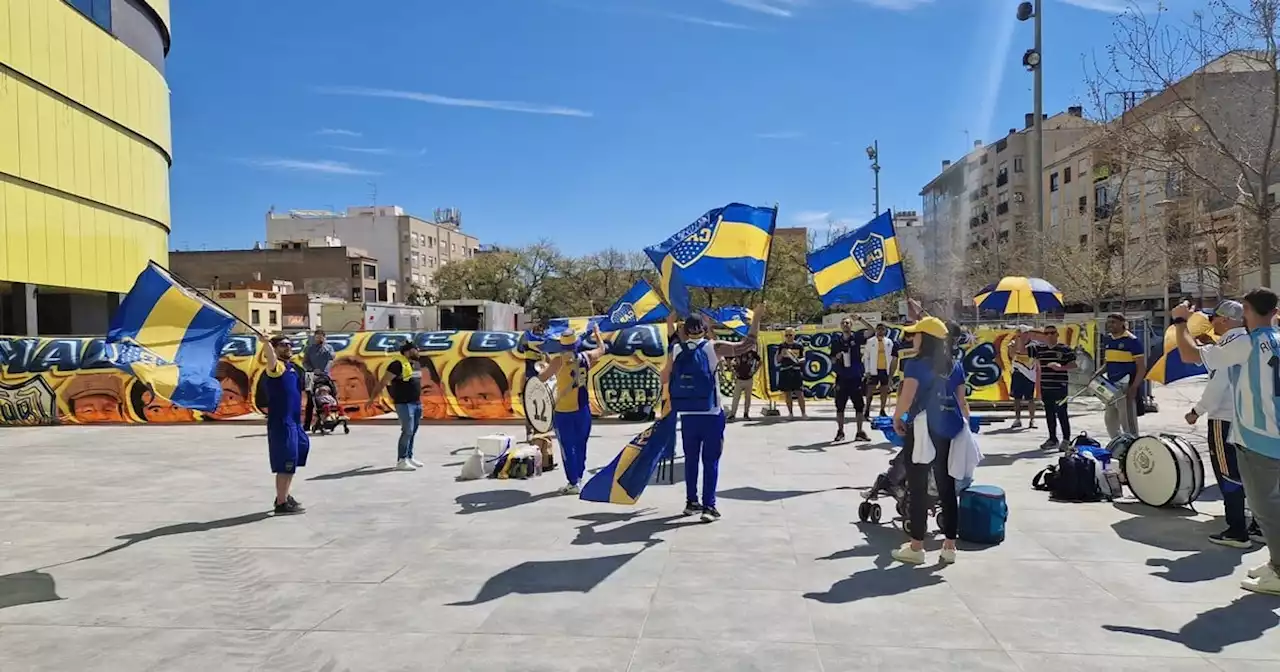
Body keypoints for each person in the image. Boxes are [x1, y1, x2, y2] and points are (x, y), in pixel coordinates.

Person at [1172, 289, 1280, 595]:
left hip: (1259, 437)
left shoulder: (1245, 343)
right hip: (1273, 432)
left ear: (1246, 310)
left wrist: (1181, 322)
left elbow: (1189, 355)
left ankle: (1279, 571)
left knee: (1266, 509)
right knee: (1270, 505)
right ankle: (1275, 562)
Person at [664, 309, 763, 521]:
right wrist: (756, 319)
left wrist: (669, 323)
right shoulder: (713, 348)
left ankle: (691, 502)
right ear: (705, 329)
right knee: (711, 460)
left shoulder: (676, 350)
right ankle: (709, 506)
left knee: (691, 459)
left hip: (688, 413)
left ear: (685, 330)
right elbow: (747, 345)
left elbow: (666, 374)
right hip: (711, 412)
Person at [891, 316, 969, 566]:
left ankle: (917, 547)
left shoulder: (914, 364)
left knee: (918, 486)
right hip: (948, 429)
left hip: (922, 429)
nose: (912, 338)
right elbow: (962, 402)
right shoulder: (955, 365)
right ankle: (949, 547)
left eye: (916, 334)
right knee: (947, 486)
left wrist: (896, 417)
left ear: (925, 338)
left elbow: (907, 395)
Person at [1183, 301, 1258, 548]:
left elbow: (1217, 385)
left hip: (1224, 419)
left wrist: (1196, 410)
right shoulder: (1252, 340)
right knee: (1252, 474)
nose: (1212, 323)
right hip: (1250, 419)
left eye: (1214, 318)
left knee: (1228, 473)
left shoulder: (1229, 346)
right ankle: (1258, 524)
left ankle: (1237, 529)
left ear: (1225, 319)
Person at [539, 325, 612, 495]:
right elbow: (602, 349)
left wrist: (544, 367)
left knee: (567, 447)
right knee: (581, 446)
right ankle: (579, 477)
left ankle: (573, 482)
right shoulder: (586, 357)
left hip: (564, 411)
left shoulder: (558, 361)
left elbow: (542, 378)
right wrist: (597, 334)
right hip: (583, 409)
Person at [261, 334, 309, 515]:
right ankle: (281, 503)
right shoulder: (276, 368)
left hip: (294, 422)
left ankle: (284, 495)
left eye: (290, 344)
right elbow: (271, 359)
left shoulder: (292, 368)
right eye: (283, 345)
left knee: (295, 459)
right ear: (274, 348)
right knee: (286, 463)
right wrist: (266, 344)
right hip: (282, 423)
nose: (288, 347)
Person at [1014, 327, 1076, 450]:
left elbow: (1074, 365)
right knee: (1049, 413)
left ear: (1057, 334)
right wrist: (1020, 336)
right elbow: (1021, 350)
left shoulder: (1064, 349)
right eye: (1046, 333)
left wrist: (1060, 367)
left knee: (1062, 412)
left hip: (1060, 386)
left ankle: (1066, 439)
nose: (1049, 335)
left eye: (1052, 333)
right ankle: (1052, 438)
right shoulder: (1039, 349)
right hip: (1046, 386)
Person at [370, 341, 425, 471]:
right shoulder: (396, 365)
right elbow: (383, 381)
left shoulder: (415, 364)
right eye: (415, 349)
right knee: (407, 431)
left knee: (413, 431)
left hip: (416, 402)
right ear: (407, 351)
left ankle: (409, 457)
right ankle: (401, 460)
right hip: (403, 403)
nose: (418, 352)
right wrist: (372, 398)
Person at [1101, 313, 1146, 438]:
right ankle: (1117, 445)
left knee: (1127, 423)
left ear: (1122, 323)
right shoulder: (1108, 340)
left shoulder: (1132, 341)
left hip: (1125, 386)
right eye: (1108, 322)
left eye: (1113, 322)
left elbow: (1141, 368)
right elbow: (1108, 362)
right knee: (1110, 420)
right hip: (1111, 386)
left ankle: (1132, 446)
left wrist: (1134, 387)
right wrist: (1097, 374)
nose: (1110, 325)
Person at [830, 316, 874, 442]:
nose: (846, 325)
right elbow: (831, 359)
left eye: (848, 323)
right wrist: (837, 357)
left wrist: (860, 319)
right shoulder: (836, 341)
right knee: (840, 407)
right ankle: (840, 431)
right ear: (840, 325)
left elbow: (872, 331)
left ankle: (860, 432)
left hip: (855, 377)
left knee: (859, 407)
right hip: (842, 378)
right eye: (843, 323)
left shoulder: (857, 337)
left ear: (852, 325)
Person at [448, 357, 513, 419]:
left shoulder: (520, 427)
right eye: (466, 400)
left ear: (507, 399)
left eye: (484, 397)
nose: (474, 406)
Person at [302, 329, 336, 432]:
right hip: (310, 375)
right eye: (317, 337)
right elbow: (304, 362)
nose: (319, 339)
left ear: (325, 338)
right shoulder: (309, 349)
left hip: (325, 375)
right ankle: (307, 424)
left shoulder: (328, 348)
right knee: (310, 400)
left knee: (327, 396)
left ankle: (329, 418)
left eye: (321, 337)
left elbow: (332, 359)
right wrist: (312, 370)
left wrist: (324, 371)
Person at [1006, 327, 1039, 430]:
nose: (1021, 335)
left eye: (1023, 333)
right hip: (1017, 373)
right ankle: (1017, 419)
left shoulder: (1034, 345)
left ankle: (1032, 419)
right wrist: (1017, 340)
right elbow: (1012, 354)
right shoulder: (1012, 343)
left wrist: (1020, 345)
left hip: (1029, 374)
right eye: (1019, 333)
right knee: (1017, 398)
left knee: (1030, 399)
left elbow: (1024, 352)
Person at [863, 323, 897, 418]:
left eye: (882, 329)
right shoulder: (870, 341)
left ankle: (882, 410)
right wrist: (867, 371)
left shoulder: (889, 342)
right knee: (870, 391)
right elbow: (866, 357)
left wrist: (891, 373)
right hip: (873, 370)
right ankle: (867, 409)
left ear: (885, 331)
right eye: (879, 329)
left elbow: (892, 358)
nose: (880, 331)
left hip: (885, 370)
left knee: (884, 391)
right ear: (876, 330)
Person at [775, 328, 806, 418]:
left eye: (790, 335)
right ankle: (790, 413)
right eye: (787, 335)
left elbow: (804, 358)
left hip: (796, 371)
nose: (788, 337)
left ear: (794, 335)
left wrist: (798, 360)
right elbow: (778, 359)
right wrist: (782, 354)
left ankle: (803, 413)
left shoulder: (799, 345)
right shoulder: (781, 346)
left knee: (799, 392)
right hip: (785, 371)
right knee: (787, 393)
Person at [726, 347, 761, 420]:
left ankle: (746, 414)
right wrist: (733, 371)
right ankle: (732, 414)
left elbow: (760, 361)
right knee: (736, 397)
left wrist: (754, 371)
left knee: (748, 398)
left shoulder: (752, 353)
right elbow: (728, 359)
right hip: (739, 379)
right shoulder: (737, 350)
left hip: (749, 378)